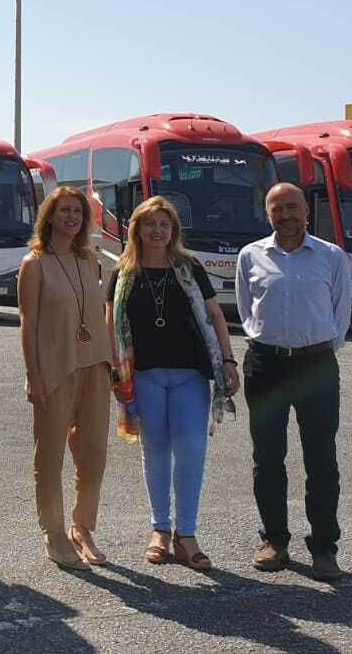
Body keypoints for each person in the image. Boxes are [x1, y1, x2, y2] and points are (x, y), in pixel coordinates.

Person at [104, 197, 241, 571]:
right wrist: (115, 373)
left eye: (164, 224)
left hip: (190, 375)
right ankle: (160, 530)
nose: (158, 231)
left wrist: (228, 361)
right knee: (156, 450)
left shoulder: (189, 267)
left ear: (173, 230)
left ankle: (187, 534)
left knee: (193, 448)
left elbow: (213, 314)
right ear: (137, 229)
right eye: (150, 224)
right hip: (145, 375)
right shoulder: (124, 272)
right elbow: (109, 325)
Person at [235, 182, 352, 581]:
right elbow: (246, 309)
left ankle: (324, 547)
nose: (285, 216)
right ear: (267, 214)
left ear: (306, 210)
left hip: (316, 365)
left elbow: (341, 313)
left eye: (291, 208)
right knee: (267, 459)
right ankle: (274, 541)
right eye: (276, 210)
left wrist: (317, 350)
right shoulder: (250, 255)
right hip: (266, 365)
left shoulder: (331, 256)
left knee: (321, 460)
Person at [18, 187, 114, 570]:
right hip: (55, 368)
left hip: (96, 365)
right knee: (50, 455)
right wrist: (33, 375)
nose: (72, 217)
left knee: (93, 455)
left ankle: (82, 528)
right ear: (50, 216)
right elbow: (28, 324)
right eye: (64, 211)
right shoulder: (34, 263)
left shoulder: (89, 260)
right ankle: (54, 534)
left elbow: (100, 312)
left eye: (78, 211)